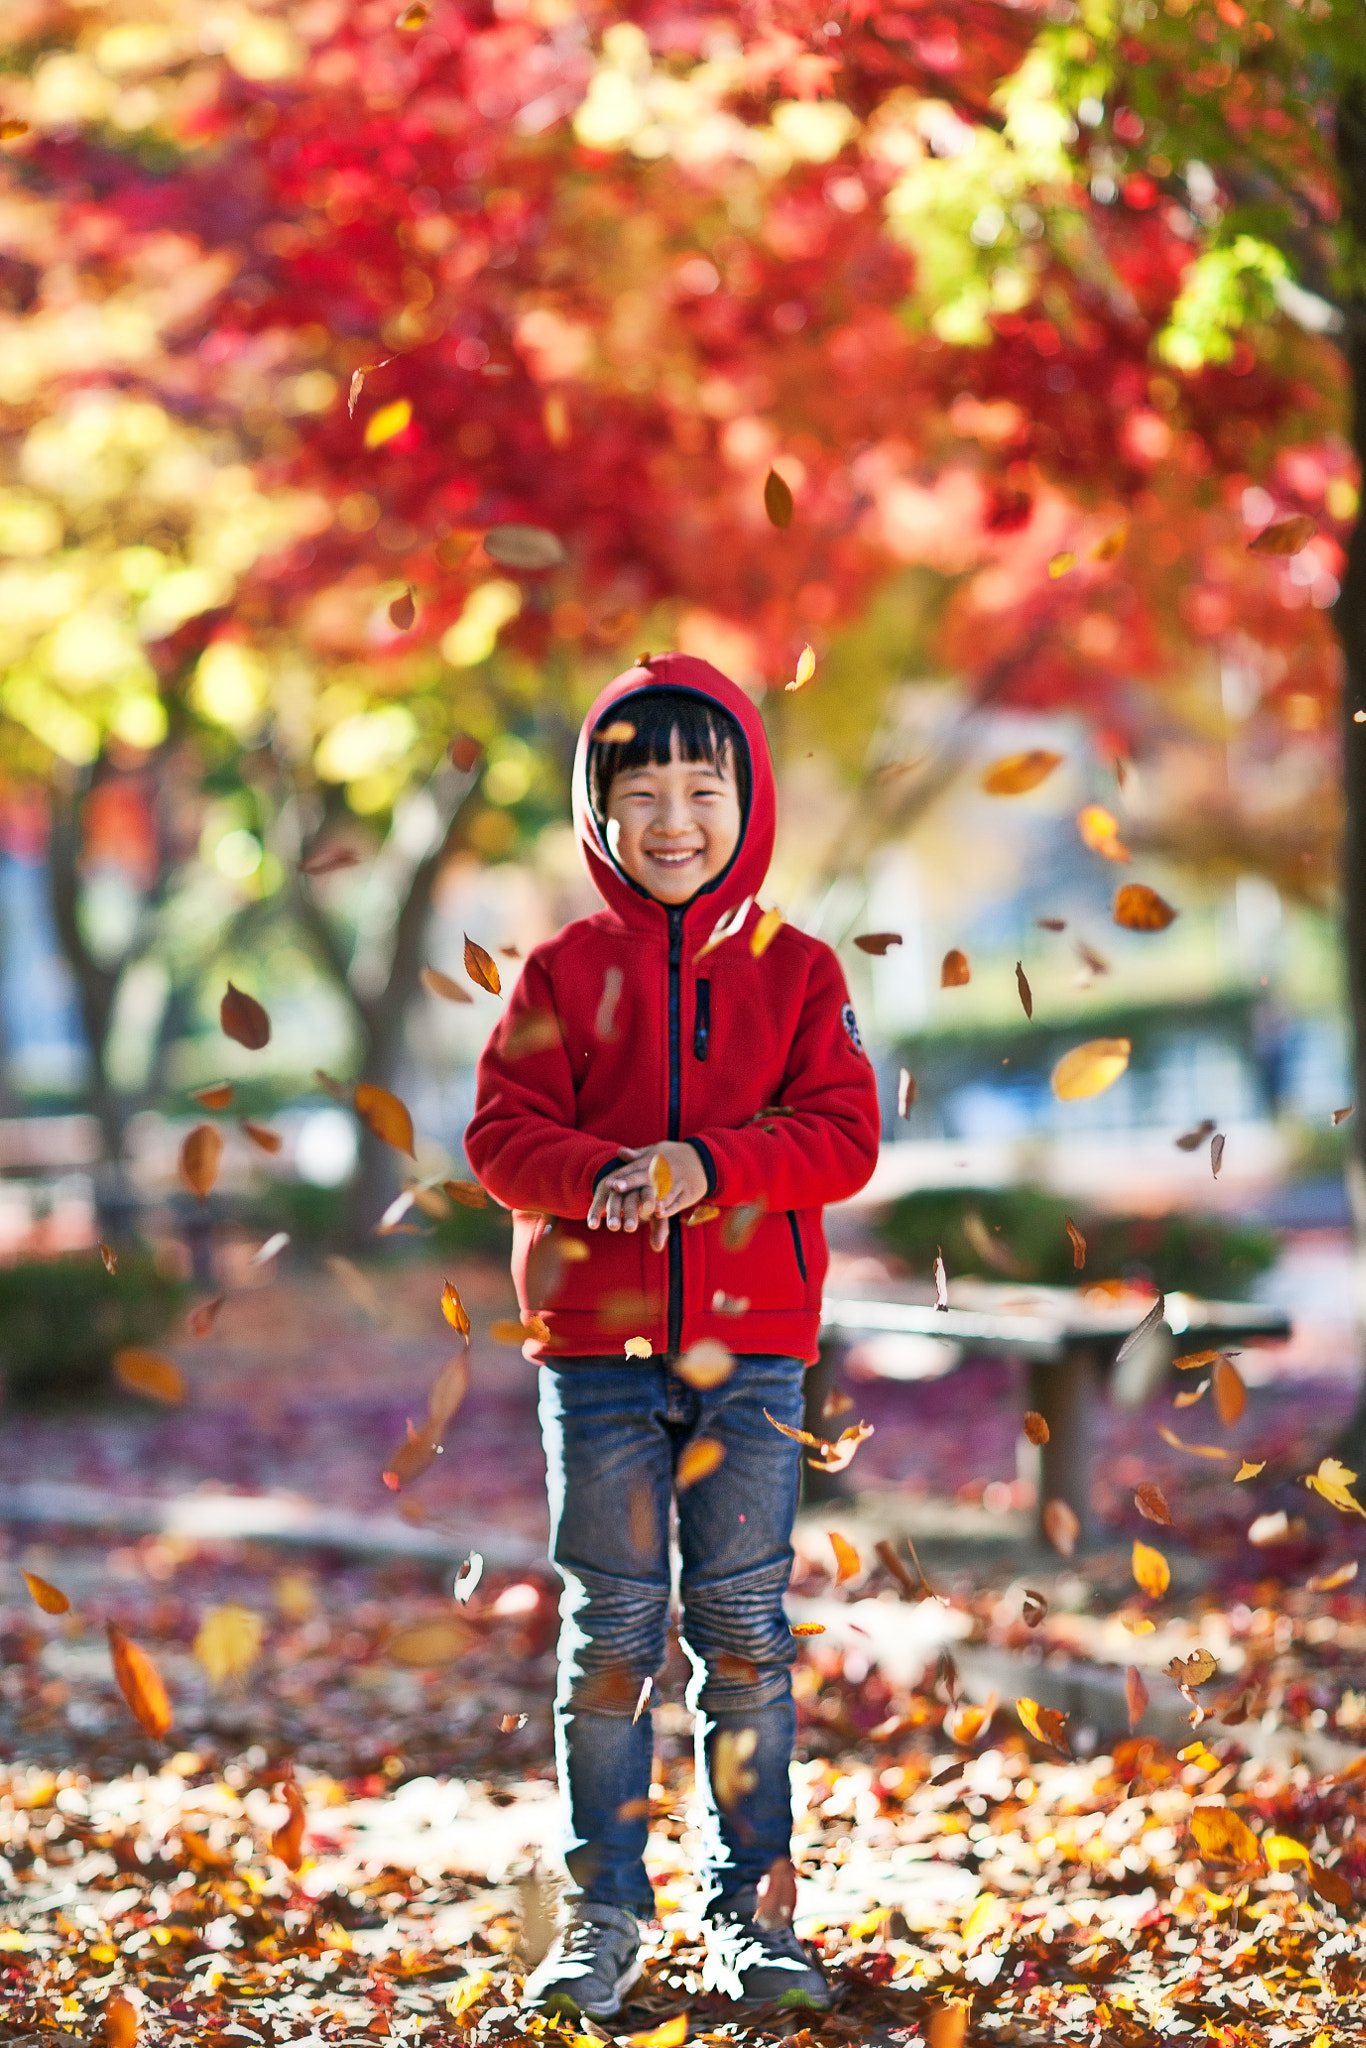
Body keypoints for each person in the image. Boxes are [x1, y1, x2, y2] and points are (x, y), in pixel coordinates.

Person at [463, 652, 881, 2020]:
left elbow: (842, 1135)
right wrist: (596, 1178)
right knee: (614, 1634)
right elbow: (496, 1135)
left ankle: (751, 1910)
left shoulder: (797, 969)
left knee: (745, 1629)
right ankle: (602, 1911)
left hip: (754, 1357)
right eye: (639, 790)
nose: (671, 817)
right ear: (598, 813)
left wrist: (711, 1163)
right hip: (596, 1359)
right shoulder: (557, 970)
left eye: (702, 786)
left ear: (746, 801)